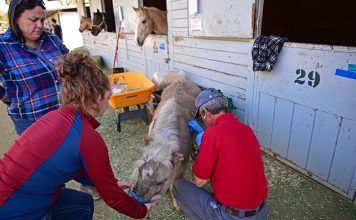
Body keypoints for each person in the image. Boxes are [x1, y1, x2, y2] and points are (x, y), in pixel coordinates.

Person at [0, 51, 156, 219]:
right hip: (14, 210)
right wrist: (141, 211)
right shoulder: (88, 138)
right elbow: (113, 198)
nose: (109, 104)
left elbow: (73, 167)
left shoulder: (57, 117)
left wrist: (110, 184)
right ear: (97, 98)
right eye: (108, 98)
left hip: (12, 194)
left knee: (82, 203)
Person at [173, 88, 269, 220]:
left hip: (232, 216)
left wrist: (200, 154)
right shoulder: (247, 129)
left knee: (178, 187)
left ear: (205, 113)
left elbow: (200, 181)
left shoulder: (211, 134)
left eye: (201, 117)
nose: (203, 122)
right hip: (261, 211)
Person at [0, 0, 69, 135]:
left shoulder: (51, 39)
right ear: (16, 19)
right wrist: (8, 97)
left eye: (42, 20)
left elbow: (70, 61)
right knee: (45, 155)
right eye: (33, 19)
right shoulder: (3, 46)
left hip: (64, 114)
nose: (40, 25)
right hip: (31, 122)